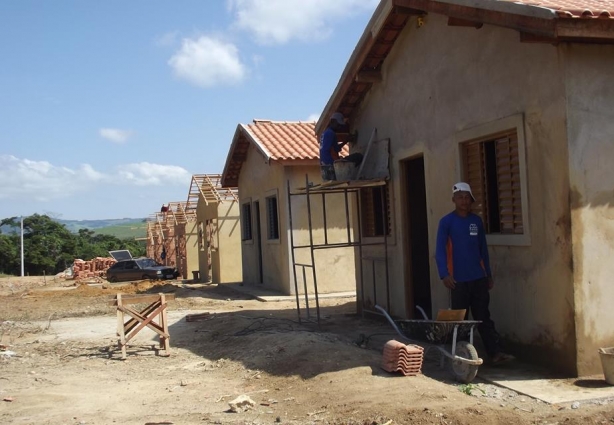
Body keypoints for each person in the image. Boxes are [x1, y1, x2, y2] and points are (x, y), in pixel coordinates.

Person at [435, 182, 514, 364]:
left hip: (478, 278)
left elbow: (482, 251)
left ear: (471, 200)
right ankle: (460, 356)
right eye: (460, 197)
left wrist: (488, 275)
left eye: (466, 197)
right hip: (457, 280)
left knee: (483, 317)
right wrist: (444, 274)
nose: (463, 200)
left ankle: (495, 353)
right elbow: (440, 250)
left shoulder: (476, 222)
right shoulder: (446, 222)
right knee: (460, 320)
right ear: (453, 200)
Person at [319, 112, 348, 181]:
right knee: (357, 157)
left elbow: (335, 148)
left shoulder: (325, 133)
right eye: (338, 125)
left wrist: (345, 141)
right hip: (330, 165)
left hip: (324, 166)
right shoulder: (331, 133)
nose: (339, 127)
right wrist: (334, 164)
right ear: (333, 121)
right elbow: (327, 151)